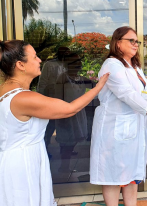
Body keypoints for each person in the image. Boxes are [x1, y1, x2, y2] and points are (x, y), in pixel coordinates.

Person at [0, 40, 109, 206]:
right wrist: (99, 86)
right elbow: (70, 109)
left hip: (16, 158)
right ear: (21, 65)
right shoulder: (23, 98)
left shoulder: (6, 90)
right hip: (22, 164)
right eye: (35, 57)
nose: (40, 60)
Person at [90, 26, 147, 206]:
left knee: (132, 174)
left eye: (136, 41)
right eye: (130, 40)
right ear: (118, 43)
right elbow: (126, 94)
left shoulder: (134, 66)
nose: (135, 44)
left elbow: (139, 92)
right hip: (114, 130)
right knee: (114, 175)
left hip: (134, 128)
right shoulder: (111, 65)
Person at [37, 46, 70, 156]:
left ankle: (65, 150)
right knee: (49, 128)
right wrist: (41, 100)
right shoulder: (49, 64)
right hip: (50, 99)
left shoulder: (67, 65)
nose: (66, 55)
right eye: (63, 52)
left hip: (64, 99)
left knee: (64, 127)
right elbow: (42, 82)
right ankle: (45, 150)